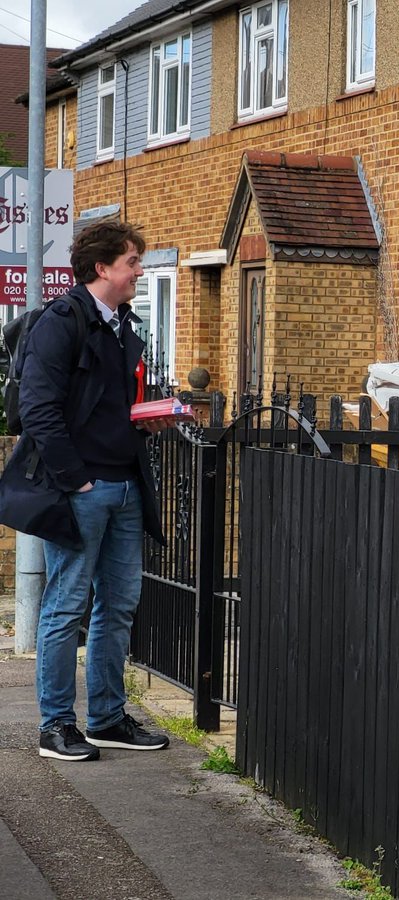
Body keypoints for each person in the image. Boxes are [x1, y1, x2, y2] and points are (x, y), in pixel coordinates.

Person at [0, 221, 172, 761]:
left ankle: (106, 718)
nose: (140, 273)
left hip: (123, 485)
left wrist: (143, 420)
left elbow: (102, 405)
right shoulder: (61, 322)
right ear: (103, 268)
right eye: (133, 263)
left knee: (119, 605)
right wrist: (77, 478)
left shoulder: (121, 324)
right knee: (65, 607)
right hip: (82, 489)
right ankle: (56, 726)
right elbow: (39, 411)